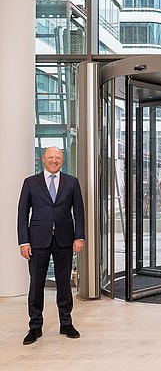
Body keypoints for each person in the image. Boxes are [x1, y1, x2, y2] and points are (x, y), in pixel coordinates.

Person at [17, 146, 85, 345]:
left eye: (57, 158)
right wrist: (23, 241)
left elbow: (79, 212)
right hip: (37, 240)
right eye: (50, 157)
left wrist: (79, 237)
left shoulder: (72, 182)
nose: (54, 160)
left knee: (64, 282)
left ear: (62, 161)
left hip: (64, 239)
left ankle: (66, 323)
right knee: (36, 283)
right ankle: (35, 326)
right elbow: (22, 215)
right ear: (43, 159)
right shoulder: (30, 183)